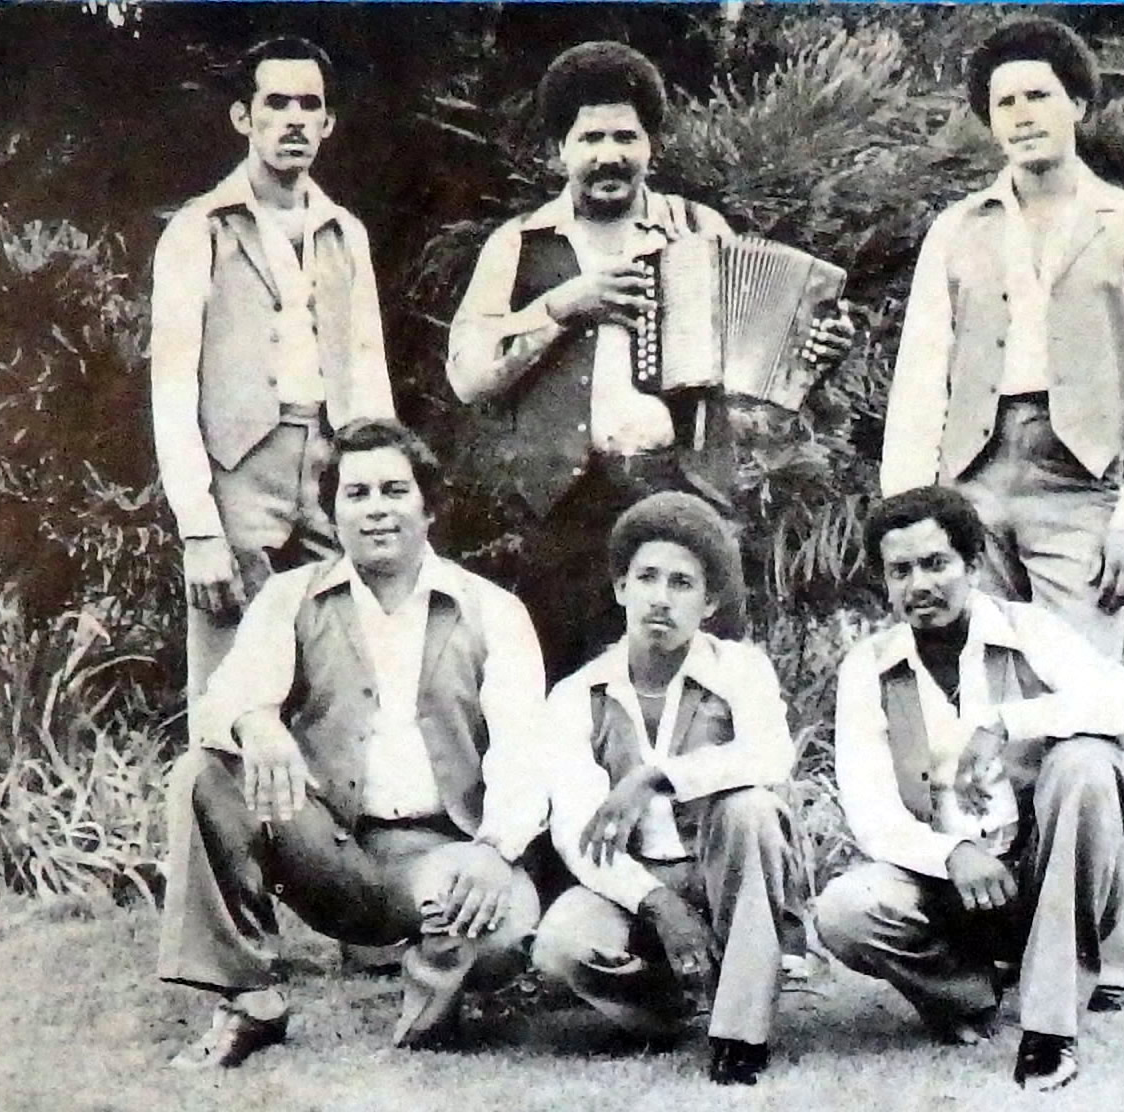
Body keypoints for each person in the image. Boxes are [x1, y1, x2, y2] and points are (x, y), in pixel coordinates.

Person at [447, 40, 851, 679]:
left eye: (625, 137)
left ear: (650, 146)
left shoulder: (699, 230)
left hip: (682, 495)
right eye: (590, 139)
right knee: (559, 689)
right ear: (559, 150)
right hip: (562, 509)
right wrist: (565, 305)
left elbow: (754, 386)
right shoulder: (519, 244)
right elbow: (468, 377)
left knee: (698, 684)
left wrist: (811, 357)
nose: (608, 155)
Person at [157, 419, 549, 1068]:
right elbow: (219, 704)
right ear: (333, 512)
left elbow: (525, 751)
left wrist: (494, 851)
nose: (376, 510)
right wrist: (256, 722)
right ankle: (250, 997)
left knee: (503, 929)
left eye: (394, 491)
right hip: (325, 845)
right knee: (204, 774)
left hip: (442, 850)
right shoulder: (291, 596)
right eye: (356, 494)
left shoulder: (491, 610)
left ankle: (430, 984)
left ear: (428, 507)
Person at [813, 486, 1124, 1091]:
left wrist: (1009, 721)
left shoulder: (1028, 630)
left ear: (973, 565)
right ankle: (970, 992)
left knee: (1087, 761)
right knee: (845, 910)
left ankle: (1049, 1028)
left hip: (1048, 879)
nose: (920, 585)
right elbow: (870, 809)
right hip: (950, 890)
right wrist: (952, 854)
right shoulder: (869, 668)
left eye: (936, 564)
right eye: (901, 571)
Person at [879, 17, 1124, 660]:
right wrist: (909, 508)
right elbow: (920, 375)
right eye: (1005, 103)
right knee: (977, 672)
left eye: (1039, 96)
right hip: (969, 478)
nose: (1022, 115)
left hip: (1078, 481)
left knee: (1081, 679)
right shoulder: (956, 228)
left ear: (1077, 104)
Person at [150, 35, 395, 699]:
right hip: (239, 473)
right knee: (229, 684)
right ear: (243, 116)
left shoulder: (345, 232)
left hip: (331, 468)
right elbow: (171, 390)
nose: (294, 120)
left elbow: (369, 371)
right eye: (276, 103)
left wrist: (379, 480)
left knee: (344, 670)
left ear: (328, 122)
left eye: (309, 106)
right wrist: (200, 530)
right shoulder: (200, 228)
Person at [532, 492, 798, 1086]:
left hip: (723, 874)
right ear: (620, 588)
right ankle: (671, 1008)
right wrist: (657, 901)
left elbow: (772, 755)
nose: (660, 597)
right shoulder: (577, 696)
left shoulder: (739, 669)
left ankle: (741, 1031)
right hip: (637, 887)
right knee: (561, 946)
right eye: (647, 577)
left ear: (709, 603)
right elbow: (577, 831)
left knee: (751, 807)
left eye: (682, 583)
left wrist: (657, 776)